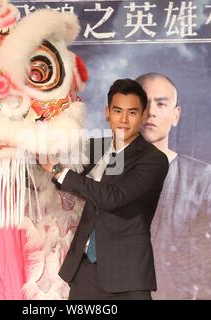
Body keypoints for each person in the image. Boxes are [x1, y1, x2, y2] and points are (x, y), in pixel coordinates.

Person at [40, 78, 169, 299]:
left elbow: (112, 198)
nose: (124, 120)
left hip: (127, 276)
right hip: (84, 271)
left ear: (144, 115)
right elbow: (62, 174)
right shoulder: (95, 147)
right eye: (118, 111)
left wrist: (59, 170)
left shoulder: (154, 160)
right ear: (107, 112)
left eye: (132, 112)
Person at [136, 73, 211, 299]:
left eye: (161, 104)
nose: (151, 112)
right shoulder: (105, 174)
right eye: (143, 103)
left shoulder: (201, 178)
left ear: (176, 115)